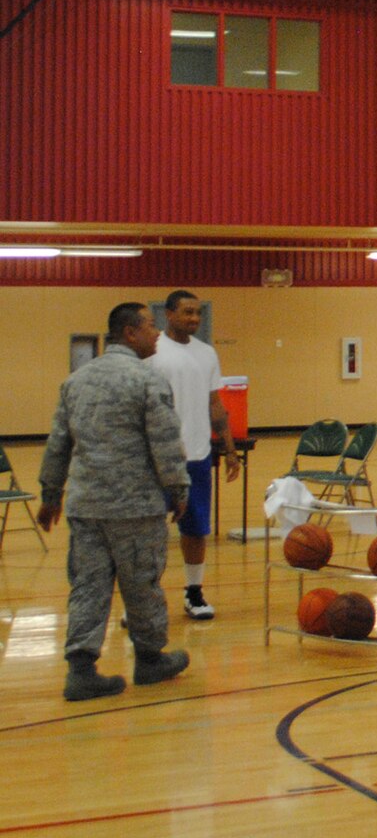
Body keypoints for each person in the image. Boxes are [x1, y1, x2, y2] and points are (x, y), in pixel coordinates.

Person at [38, 303, 192, 701]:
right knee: (142, 583)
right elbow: (164, 443)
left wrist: (51, 494)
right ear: (129, 333)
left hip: (86, 505)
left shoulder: (76, 381)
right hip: (134, 506)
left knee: (87, 586)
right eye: (149, 326)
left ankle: (81, 670)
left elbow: (58, 444)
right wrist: (177, 489)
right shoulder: (146, 380)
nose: (156, 333)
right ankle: (149, 659)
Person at [145, 289, 240, 620]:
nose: (194, 319)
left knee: (196, 529)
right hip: (157, 457)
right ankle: (143, 598)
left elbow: (216, 403)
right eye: (187, 312)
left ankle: (194, 592)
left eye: (198, 313)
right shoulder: (151, 350)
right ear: (169, 314)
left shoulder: (207, 354)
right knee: (150, 530)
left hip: (197, 455)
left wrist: (228, 449)